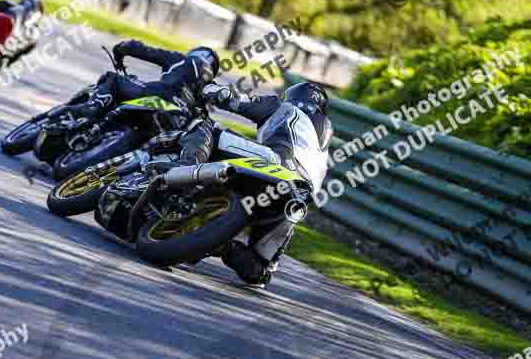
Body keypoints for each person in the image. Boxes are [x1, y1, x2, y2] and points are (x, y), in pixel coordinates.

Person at [178, 82, 333, 287]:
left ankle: (182, 173)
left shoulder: (286, 108)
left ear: (293, 97)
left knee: (206, 127)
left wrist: (210, 91)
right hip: (296, 198)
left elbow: (237, 101)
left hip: (274, 163)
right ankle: (220, 244)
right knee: (260, 272)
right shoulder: (323, 149)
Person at [60, 41, 221, 118]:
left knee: (113, 78)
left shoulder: (182, 60)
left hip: (156, 95)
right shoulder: (210, 85)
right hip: (176, 118)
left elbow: (142, 50)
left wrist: (120, 49)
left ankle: (94, 106)